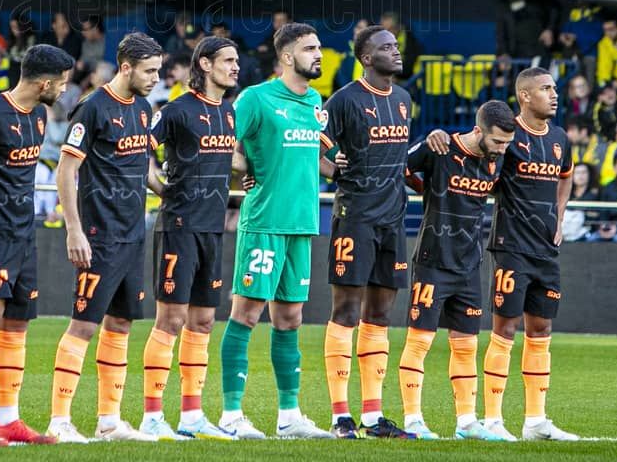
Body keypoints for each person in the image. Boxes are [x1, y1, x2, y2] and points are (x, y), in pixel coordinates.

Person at [216, 23, 335, 441]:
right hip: (264, 221)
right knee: (246, 313)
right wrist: (248, 170)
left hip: (302, 224)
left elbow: (311, 155)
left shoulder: (315, 100)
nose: (319, 55)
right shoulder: (256, 98)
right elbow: (223, 143)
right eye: (310, 48)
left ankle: (289, 415)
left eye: (319, 47)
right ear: (287, 57)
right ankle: (231, 414)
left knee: (290, 318)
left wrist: (343, 169)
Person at [0, 44, 75, 446]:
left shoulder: (39, 115)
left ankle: (9, 419)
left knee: (17, 323)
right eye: (62, 83)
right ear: (44, 82)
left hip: (24, 232)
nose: (64, 90)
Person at [46, 33, 164, 443]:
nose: (156, 79)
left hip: (134, 234)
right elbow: (66, 171)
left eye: (159, 71)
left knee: (121, 323)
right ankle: (59, 421)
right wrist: (74, 229)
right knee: (83, 324)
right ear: (126, 67)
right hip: (99, 234)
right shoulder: (92, 107)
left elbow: (142, 167)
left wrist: (165, 188)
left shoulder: (145, 109)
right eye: (149, 71)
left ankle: (108, 421)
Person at [137, 36, 242, 440]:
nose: (235, 67)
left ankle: (192, 416)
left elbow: (225, 156)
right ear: (204, 65)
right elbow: (140, 148)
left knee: (203, 321)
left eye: (235, 61)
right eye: (227, 61)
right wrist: (159, 187)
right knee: (171, 320)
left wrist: (245, 172)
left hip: (212, 229)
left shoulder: (229, 112)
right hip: (178, 227)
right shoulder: (177, 110)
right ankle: (151, 417)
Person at [397, 100, 517, 440]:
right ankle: (413, 419)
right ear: (478, 130)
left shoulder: (498, 160)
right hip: (433, 261)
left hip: (469, 264)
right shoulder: (441, 147)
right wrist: (426, 190)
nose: (501, 150)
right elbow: (401, 165)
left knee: (466, 345)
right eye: (496, 142)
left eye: (506, 144)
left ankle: (467, 422)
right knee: (420, 341)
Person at [320, 26, 416, 440]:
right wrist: (337, 174)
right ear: (365, 58)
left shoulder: (403, 100)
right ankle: (341, 415)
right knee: (346, 311)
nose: (395, 52)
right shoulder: (343, 101)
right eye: (385, 47)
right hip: (355, 217)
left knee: (379, 315)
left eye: (395, 46)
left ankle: (373, 416)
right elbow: (312, 148)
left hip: (392, 220)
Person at [481, 67, 577, 441]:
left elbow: (566, 175)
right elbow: (486, 176)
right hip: (512, 248)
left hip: (545, 249)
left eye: (554, 88)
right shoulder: (509, 137)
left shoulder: (559, 138)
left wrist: (560, 217)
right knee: (504, 329)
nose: (554, 94)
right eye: (545, 89)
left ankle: (535, 421)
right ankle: (492, 420)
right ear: (524, 96)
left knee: (542, 330)